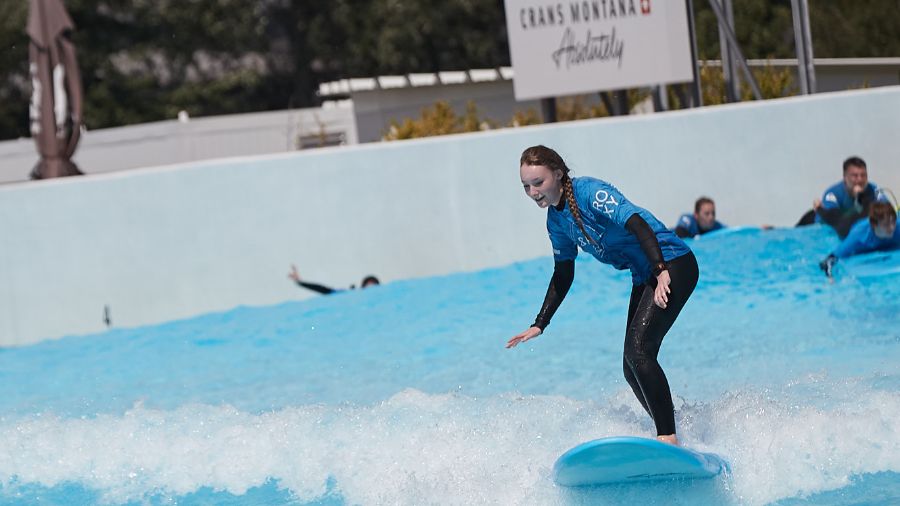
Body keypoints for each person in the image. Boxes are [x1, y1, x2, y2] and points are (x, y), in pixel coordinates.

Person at [506, 145, 698, 446]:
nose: (532, 192)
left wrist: (661, 271)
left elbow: (637, 222)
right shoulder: (556, 222)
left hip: (673, 263)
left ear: (558, 174)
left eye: (538, 182)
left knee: (640, 352)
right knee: (630, 365)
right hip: (646, 273)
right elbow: (563, 273)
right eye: (526, 186)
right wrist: (540, 323)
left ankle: (668, 437)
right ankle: (675, 428)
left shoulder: (590, 192)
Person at [797, 156, 880, 238]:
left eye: (863, 175)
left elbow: (886, 211)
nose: (860, 179)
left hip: (847, 220)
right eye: (855, 176)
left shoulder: (873, 189)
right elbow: (838, 223)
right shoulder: (833, 193)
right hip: (816, 224)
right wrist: (819, 209)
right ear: (845, 177)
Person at [819, 201, 900, 279]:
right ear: (874, 225)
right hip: (848, 225)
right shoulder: (859, 237)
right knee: (837, 223)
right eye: (886, 224)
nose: (892, 227)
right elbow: (829, 260)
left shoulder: (898, 227)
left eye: (893, 222)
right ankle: (820, 209)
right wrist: (830, 277)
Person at [287, 265, 379, 295]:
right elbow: (325, 290)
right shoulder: (350, 294)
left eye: (374, 286)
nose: (371, 288)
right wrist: (301, 282)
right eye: (368, 285)